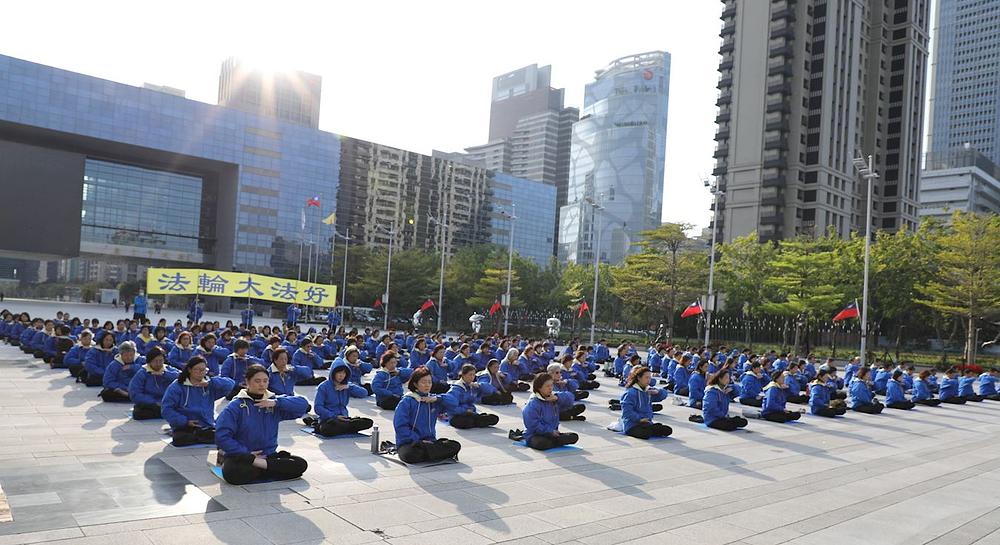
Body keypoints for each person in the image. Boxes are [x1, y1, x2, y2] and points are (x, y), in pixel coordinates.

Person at [215, 365, 310, 485]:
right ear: (247, 382)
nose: (262, 385)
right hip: (243, 456)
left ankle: (261, 466)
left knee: (301, 464)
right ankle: (271, 469)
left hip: (268, 455)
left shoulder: (272, 402)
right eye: (257, 381)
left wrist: (276, 403)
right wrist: (246, 454)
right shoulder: (235, 406)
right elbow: (221, 436)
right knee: (233, 473)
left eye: (265, 381)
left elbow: (303, 405)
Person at [161, 356, 236, 447]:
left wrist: (211, 382)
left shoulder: (209, 385)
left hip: (205, 424)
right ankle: (199, 436)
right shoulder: (177, 386)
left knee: (224, 435)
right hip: (186, 425)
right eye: (197, 369)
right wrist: (185, 421)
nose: (201, 372)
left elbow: (230, 384)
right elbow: (166, 409)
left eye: (203, 370)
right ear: (189, 370)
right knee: (179, 439)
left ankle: (200, 436)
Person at [392, 367, 462, 464]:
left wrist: (438, 399)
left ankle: (429, 453)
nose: (427, 385)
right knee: (410, 455)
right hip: (410, 443)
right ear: (415, 384)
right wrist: (418, 441)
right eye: (424, 382)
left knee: (455, 445)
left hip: (430, 441)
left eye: (429, 382)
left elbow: (454, 402)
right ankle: (433, 453)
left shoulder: (432, 399)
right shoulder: (407, 401)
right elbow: (400, 426)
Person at [308, 359, 373, 436]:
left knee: (368, 422)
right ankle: (346, 428)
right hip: (330, 419)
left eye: (344, 373)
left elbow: (364, 393)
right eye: (339, 373)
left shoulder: (346, 386)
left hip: (344, 419)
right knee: (326, 429)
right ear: (333, 373)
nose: (341, 375)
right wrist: (334, 416)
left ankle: (346, 427)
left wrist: (348, 387)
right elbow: (318, 408)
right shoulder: (323, 387)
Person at [519, 373, 580, 451]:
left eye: (551, 385)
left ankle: (554, 442)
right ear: (539, 388)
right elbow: (532, 425)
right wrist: (550, 431)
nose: (550, 388)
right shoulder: (533, 403)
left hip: (552, 433)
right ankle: (555, 442)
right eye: (547, 386)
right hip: (535, 435)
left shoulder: (552, 397)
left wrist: (558, 398)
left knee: (574, 436)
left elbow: (570, 398)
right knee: (542, 443)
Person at [619, 366, 672, 439]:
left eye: (650, 378)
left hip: (646, 422)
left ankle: (652, 428)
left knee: (668, 430)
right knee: (645, 434)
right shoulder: (630, 393)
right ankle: (652, 429)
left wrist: (658, 392)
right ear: (639, 378)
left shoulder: (648, 391)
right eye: (646, 377)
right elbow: (627, 412)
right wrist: (639, 419)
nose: (649, 380)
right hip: (632, 424)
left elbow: (663, 396)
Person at [442, 364, 500, 429]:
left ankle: (478, 420)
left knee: (494, 418)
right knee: (468, 422)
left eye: (473, 375)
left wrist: (479, 385)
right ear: (463, 375)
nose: (472, 377)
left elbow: (489, 390)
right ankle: (478, 421)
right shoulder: (456, 389)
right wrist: (465, 411)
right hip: (456, 416)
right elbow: (450, 407)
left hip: (471, 413)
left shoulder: (472, 386)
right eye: (470, 374)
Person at [128, 346, 178, 420]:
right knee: (138, 413)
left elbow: (182, 377)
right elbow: (135, 393)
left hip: (166, 401)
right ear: (149, 361)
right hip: (151, 403)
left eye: (160, 361)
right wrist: (154, 402)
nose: (158, 364)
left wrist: (165, 374)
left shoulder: (168, 369)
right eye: (155, 361)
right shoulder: (142, 372)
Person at [703, 365, 748, 431]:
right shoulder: (712, 391)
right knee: (730, 426)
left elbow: (739, 390)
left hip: (722, 417)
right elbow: (711, 408)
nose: (728, 380)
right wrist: (723, 416)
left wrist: (732, 388)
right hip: (712, 419)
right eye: (726, 378)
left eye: (729, 378)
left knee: (743, 421)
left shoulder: (725, 389)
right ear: (720, 379)